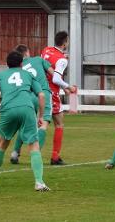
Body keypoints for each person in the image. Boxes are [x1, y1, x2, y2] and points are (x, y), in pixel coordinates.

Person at [0, 51, 50, 192]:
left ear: (7, 64)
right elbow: (42, 95)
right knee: (34, 146)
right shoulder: (28, 75)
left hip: (8, 110)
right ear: (21, 63)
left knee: (2, 144)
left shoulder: (1, 75)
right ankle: (39, 182)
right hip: (27, 109)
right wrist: (40, 116)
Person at [10, 44, 56, 164]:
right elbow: (53, 74)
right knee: (43, 124)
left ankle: (15, 153)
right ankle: (36, 156)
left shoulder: (19, 67)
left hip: (28, 96)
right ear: (27, 52)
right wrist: (65, 86)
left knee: (24, 125)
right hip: (43, 93)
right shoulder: (38, 59)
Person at [41, 31, 78, 165]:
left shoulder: (46, 50)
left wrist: (64, 88)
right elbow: (56, 78)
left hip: (38, 90)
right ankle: (55, 157)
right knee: (59, 124)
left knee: (35, 122)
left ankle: (16, 152)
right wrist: (70, 87)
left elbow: (47, 71)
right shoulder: (62, 59)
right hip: (51, 93)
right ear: (65, 43)